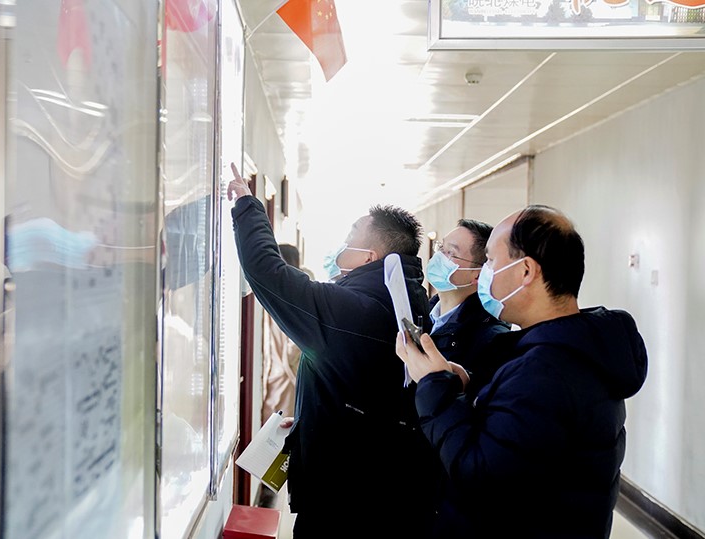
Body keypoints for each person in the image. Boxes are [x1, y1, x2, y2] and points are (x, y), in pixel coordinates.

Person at [397, 204, 648, 538]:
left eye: (490, 261)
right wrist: (469, 386)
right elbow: (519, 446)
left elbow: (482, 475)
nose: (485, 273)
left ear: (526, 271)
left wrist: (433, 387)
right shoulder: (564, 352)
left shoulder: (547, 371)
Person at [228, 163, 435, 538]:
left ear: (369, 256)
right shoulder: (408, 302)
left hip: (342, 501)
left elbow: (268, 273)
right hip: (378, 486)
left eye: (351, 235)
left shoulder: (355, 310)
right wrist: (316, 414)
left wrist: (246, 206)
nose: (343, 242)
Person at [424, 218, 511, 396]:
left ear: (477, 276)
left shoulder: (492, 341)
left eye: (450, 253)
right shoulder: (420, 312)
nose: (439, 257)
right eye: (441, 248)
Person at [258, 243, 302, 508]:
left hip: (276, 381)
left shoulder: (273, 296)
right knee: (277, 442)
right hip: (282, 381)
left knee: (275, 442)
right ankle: (268, 494)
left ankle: (268, 495)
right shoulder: (291, 297)